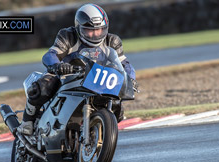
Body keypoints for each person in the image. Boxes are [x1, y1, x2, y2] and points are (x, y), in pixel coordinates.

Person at [17, 3, 137, 135]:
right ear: (78, 27)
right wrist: (58, 66)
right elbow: (51, 55)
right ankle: (27, 122)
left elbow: (124, 64)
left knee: (117, 108)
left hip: (95, 80)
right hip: (66, 77)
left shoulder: (113, 41)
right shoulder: (67, 35)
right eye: (89, 30)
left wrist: (130, 79)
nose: (95, 34)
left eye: (100, 29)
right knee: (43, 86)